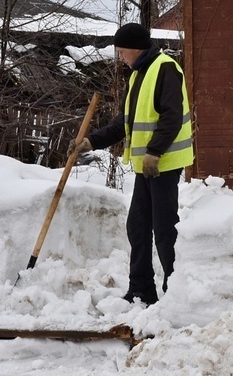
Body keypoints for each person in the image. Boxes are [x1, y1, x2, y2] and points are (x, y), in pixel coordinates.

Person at [68, 23, 194, 306]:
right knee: (137, 226)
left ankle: (176, 292)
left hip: (163, 163)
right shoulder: (138, 76)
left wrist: (154, 151)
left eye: (122, 51)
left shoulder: (165, 68)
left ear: (135, 49)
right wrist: (92, 141)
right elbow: (123, 123)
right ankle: (141, 288)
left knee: (163, 229)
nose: (120, 57)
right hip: (146, 166)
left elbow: (172, 116)